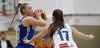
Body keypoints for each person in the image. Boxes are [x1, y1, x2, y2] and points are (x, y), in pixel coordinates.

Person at [24, 9, 95, 48]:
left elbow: (36, 37)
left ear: (53, 18)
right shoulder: (69, 27)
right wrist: (89, 36)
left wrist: (29, 41)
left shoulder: (49, 28)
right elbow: (85, 37)